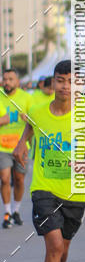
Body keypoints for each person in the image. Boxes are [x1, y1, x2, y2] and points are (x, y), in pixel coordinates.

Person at [14, 61, 85, 262]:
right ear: (53, 82)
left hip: (76, 193)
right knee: (55, 246)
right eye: (60, 80)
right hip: (43, 189)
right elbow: (31, 128)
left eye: (71, 81)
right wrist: (22, 144)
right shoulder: (37, 110)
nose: (65, 86)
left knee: (63, 250)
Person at [0, 69, 31, 227]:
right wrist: (8, 118)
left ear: (17, 82)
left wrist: (28, 118)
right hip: (2, 146)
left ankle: (16, 210)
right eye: (5, 79)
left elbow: (35, 120)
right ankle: (7, 213)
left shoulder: (26, 98)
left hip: (21, 146)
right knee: (5, 179)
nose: (7, 82)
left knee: (19, 180)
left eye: (11, 79)